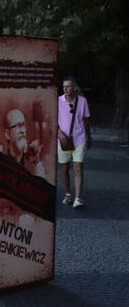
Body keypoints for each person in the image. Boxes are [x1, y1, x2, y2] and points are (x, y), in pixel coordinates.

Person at [58, 76, 92, 208]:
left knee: (78, 168)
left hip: (79, 138)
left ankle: (78, 198)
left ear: (74, 88)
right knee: (64, 168)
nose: (65, 88)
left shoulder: (82, 101)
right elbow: (53, 119)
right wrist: (59, 133)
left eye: (68, 86)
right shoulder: (58, 101)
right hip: (63, 140)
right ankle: (67, 194)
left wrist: (89, 136)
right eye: (63, 86)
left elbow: (86, 120)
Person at [0, 109, 46, 180]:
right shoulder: (2, 166)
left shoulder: (33, 164)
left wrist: (37, 162)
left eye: (24, 125)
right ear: (7, 134)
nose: (23, 131)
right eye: (18, 126)